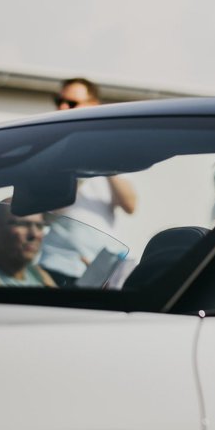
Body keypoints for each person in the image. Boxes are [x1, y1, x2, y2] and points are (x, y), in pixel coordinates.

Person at [38, 78, 138, 286]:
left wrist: (104, 159)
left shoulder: (113, 148)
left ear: (93, 106)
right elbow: (48, 210)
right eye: (59, 101)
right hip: (58, 263)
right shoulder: (49, 148)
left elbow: (130, 205)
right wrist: (78, 163)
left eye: (72, 103)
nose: (62, 107)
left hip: (98, 266)